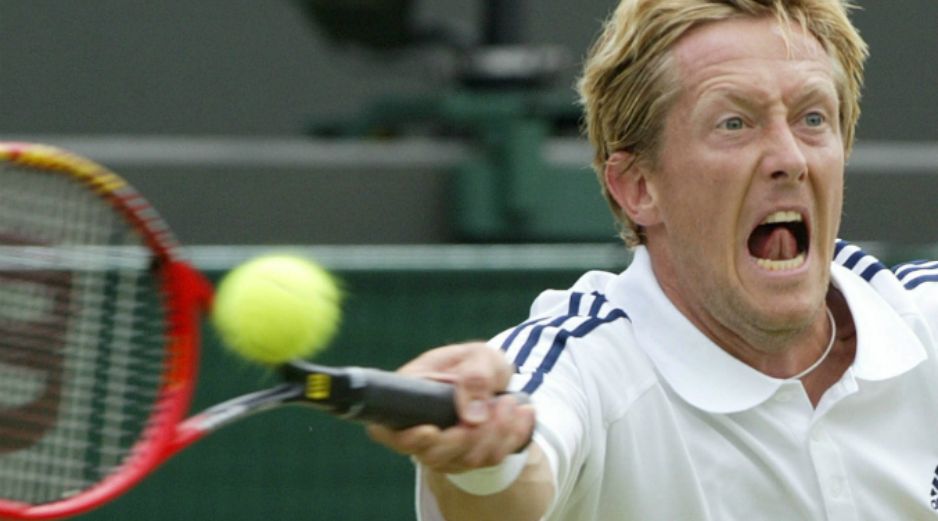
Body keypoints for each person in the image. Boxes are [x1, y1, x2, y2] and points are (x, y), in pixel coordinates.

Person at [368, 0, 938, 519]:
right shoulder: (582, 367)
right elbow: (514, 474)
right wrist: (483, 459)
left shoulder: (924, 316)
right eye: (734, 123)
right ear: (638, 187)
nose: (790, 158)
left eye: (812, 119)